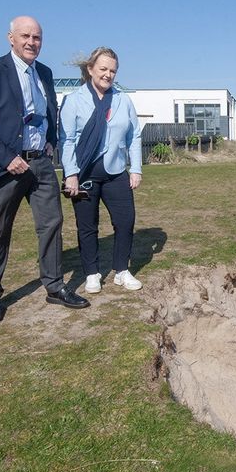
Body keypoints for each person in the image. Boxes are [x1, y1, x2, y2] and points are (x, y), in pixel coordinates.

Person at [0, 16, 89, 323]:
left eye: (37, 37)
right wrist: (7, 158)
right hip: (5, 167)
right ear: (10, 38)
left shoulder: (44, 73)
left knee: (52, 224)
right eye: (25, 36)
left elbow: (49, 111)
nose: (32, 42)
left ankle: (55, 286)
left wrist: (49, 141)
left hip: (41, 164)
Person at [59, 47, 143, 293]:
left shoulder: (122, 100)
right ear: (90, 69)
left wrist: (135, 168)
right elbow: (67, 140)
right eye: (103, 69)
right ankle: (92, 273)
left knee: (125, 222)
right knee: (87, 226)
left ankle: (122, 271)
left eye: (113, 71)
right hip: (84, 174)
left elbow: (134, 136)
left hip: (116, 172)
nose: (108, 74)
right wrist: (71, 174)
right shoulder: (73, 100)